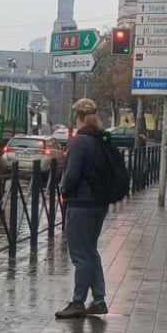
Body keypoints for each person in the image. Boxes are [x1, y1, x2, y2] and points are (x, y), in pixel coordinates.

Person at [55, 98, 109, 319]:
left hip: (81, 204)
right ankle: (99, 299)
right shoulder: (103, 140)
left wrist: (63, 189)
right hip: (99, 203)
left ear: (77, 116)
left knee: (80, 255)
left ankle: (78, 302)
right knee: (91, 251)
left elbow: (72, 174)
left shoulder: (79, 142)